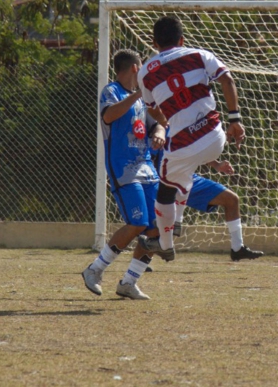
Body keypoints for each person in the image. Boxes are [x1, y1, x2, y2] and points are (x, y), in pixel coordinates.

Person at [136, 16, 246, 262]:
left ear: (154, 43)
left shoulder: (145, 72)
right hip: (216, 139)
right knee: (183, 177)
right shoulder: (199, 54)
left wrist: (167, 122)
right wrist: (235, 120)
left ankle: (166, 243)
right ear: (182, 39)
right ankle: (178, 223)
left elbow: (152, 108)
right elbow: (227, 79)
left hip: (184, 146)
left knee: (165, 192)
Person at [82, 49, 167, 300]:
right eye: (142, 67)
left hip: (147, 169)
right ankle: (94, 270)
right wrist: (140, 94)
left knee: (156, 228)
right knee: (138, 222)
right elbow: (108, 115)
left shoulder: (141, 99)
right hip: (124, 169)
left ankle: (129, 282)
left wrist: (159, 132)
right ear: (134, 68)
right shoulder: (112, 91)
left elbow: (158, 122)